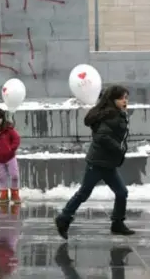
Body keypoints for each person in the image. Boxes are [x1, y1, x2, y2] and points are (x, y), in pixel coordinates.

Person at [55, 85, 135, 239]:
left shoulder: (115, 113)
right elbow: (102, 137)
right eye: (122, 98)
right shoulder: (111, 115)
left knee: (121, 192)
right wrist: (118, 148)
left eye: (126, 97)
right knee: (84, 193)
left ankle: (117, 223)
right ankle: (63, 218)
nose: (125, 101)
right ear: (113, 100)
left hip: (107, 163)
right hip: (98, 163)